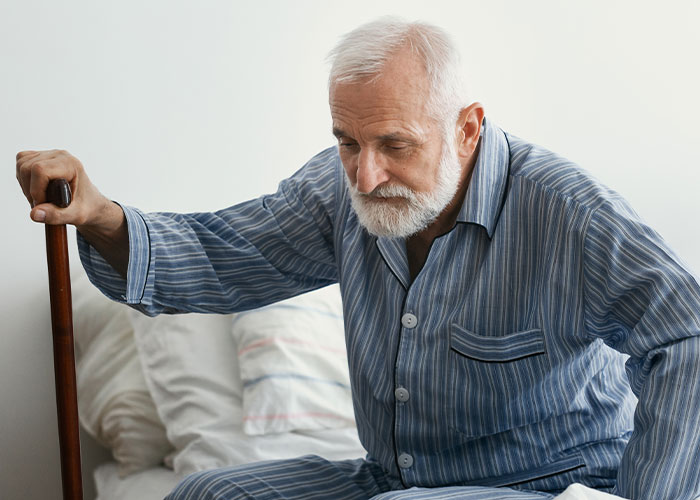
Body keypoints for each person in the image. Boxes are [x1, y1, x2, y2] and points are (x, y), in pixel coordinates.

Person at [16, 17, 700, 500]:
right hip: (397, 478)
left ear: (467, 128)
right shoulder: (336, 192)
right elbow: (223, 254)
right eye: (347, 141)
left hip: (545, 487)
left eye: (394, 145)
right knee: (211, 493)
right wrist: (99, 214)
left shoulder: (568, 211)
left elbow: (686, 335)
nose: (365, 175)